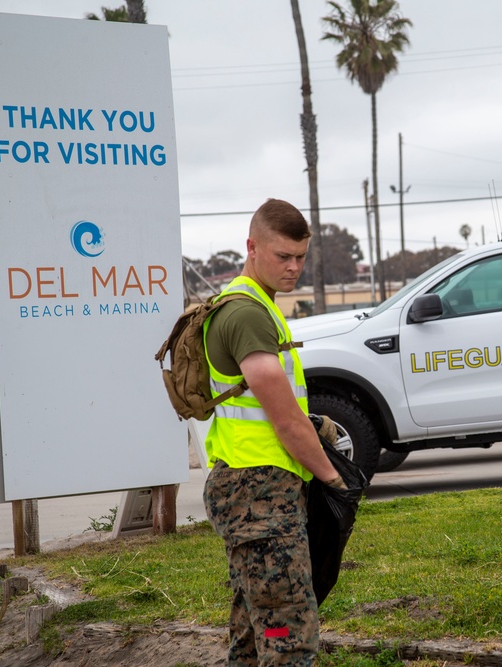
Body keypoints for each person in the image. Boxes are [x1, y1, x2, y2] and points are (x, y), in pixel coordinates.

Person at [202, 198, 345, 666]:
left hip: (252, 490)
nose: (294, 268)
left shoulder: (255, 307)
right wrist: (333, 480)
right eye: (283, 256)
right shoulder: (246, 314)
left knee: (252, 628)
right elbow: (283, 422)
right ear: (252, 247)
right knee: (288, 635)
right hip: (258, 495)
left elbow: (275, 409)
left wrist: (317, 425)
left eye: (301, 257)